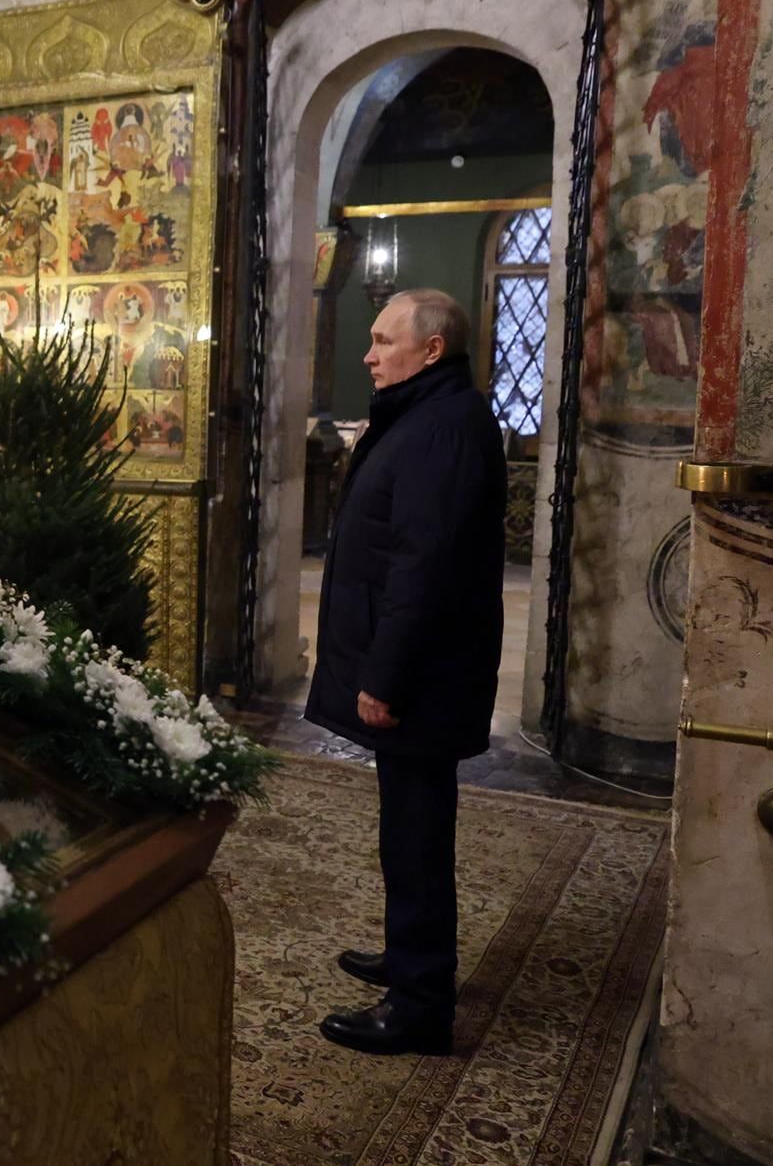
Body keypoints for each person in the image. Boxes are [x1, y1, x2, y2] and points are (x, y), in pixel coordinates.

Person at [307, 288, 506, 1058]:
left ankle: (420, 1002)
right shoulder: (428, 414)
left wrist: (383, 677)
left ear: (431, 350)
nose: (368, 352)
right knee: (408, 824)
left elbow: (422, 567)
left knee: (419, 832)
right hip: (423, 670)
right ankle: (410, 954)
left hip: (423, 675)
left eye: (384, 340)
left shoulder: (443, 429)